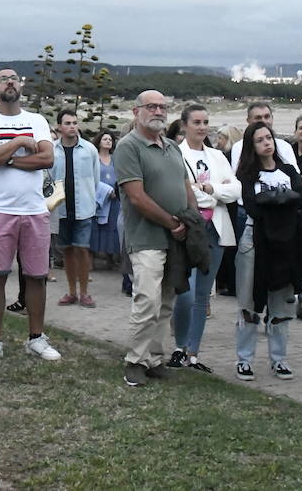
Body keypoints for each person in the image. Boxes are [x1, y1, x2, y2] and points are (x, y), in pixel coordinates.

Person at [0, 69, 59, 366]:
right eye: (2, 79)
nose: (10, 81)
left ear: (21, 86)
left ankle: (36, 338)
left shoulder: (38, 121)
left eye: (14, 77)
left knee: (36, 276)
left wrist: (6, 157)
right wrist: (21, 141)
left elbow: (47, 158)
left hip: (34, 210)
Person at [115, 90, 197, 387]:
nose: (159, 111)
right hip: (146, 237)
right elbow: (136, 197)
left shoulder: (173, 148)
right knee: (147, 300)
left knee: (165, 302)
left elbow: (185, 185)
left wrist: (191, 218)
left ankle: (154, 358)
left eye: (163, 107)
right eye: (152, 106)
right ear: (136, 112)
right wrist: (171, 222)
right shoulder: (128, 147)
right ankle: (134, 361)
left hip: (175, 237)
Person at [234, 120, 302, 382]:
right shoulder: (247, 175)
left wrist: (279, 200)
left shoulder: (288, 170)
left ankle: (279, 359)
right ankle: (244, 359)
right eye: (260, 140)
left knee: (282, 303)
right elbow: (253, 207)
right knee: (249, 302)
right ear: (251, 146)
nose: (267, 143)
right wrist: (281, 199)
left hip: (287, 241)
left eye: (269, 138)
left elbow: (301, 199)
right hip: (255, 240)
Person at [170, 103, 240, 373]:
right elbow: (181, 190)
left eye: (205, 122)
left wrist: (209, 189)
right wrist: (211, 193)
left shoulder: (217, 157)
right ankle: (179, 346)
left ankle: (193, 352)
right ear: (185, 125)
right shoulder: (175, 154)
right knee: (185, 293)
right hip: (189, 230)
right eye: (196, 122)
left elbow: (235, 190)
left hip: (217, 230)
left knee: (202, 296)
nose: (202, 127)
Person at [50, 108, 100, 309]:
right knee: (67, 251)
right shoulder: (52, 150)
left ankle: (85, 293)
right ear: (60, 127)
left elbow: (95, 179)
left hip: (84, 208)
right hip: (61, 209)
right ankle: (71, 291)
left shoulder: (89, 150)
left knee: (82, 249)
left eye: (74, 122)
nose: (72, 126)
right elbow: (48, 178)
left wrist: (90, 198)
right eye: (68, 123)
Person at [229, 102, 298, 172]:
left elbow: (295, 175)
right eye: (258, 118)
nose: (263, 121)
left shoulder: (285, 146)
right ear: (248, 121)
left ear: (272, 118)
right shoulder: (238, 147)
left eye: (267, 117)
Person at [88, 131, 121, 269]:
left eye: (110, 139)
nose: (108, 141)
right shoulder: (94, 157)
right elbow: (90, 177)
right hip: (98, 198)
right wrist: (105, 191)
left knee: (112, 227)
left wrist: (116, 191)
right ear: (99, 141)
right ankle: (90, 261)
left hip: (114, 199)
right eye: (105, 139)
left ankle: (110, 258)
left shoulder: (116, 159)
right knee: (94, 228)